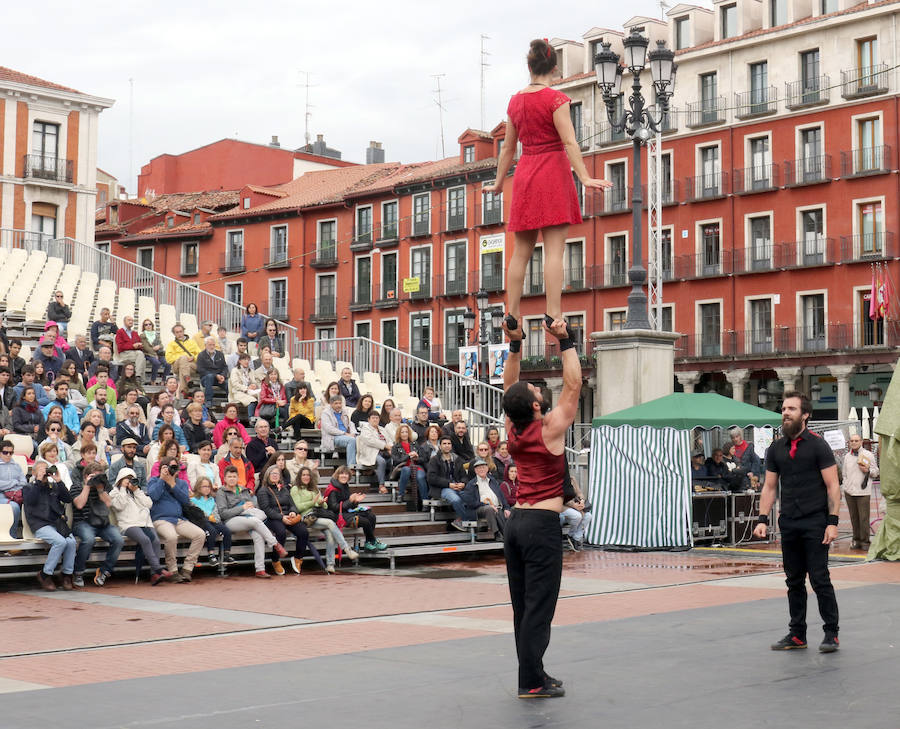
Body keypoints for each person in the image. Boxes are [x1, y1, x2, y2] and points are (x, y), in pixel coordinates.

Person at [484, 39, 610, 330]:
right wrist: (585, 177)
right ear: (554, 68)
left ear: (529, 66)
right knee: (554, 252)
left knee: (521, 252)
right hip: (553, 173)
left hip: (526, 173)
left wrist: (498, 183)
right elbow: (568, 141)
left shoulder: (515, 101)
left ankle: (511, 313)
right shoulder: (556, 100)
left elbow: (507, 149)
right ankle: (554, 314)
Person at [500, 316, 580, 698]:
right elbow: (574, 385)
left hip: (515, 523)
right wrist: (566, 341)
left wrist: (515, 345)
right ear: (535, 404)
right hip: (541, 524)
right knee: (539, 607)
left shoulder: (513, 431)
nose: (536, 388)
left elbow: (508, 386)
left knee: (523, 606)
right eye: (534, 389)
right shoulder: (548, 428)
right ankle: (531, 681)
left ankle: (533, 674)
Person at [753, 391, 841, 653]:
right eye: (783, 409)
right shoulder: (775, 448)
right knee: (793, 581)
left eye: (791, 409)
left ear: (805, 415)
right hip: (788, 522)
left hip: (815, 522)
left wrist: (833, 522)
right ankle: (797, 634)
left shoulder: (818, 445)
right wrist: (762, 519)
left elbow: (833, 485)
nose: (785, 413)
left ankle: (831, 634)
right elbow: (769, 487)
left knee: (819, 579)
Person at [215, 465, 287, 578]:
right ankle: (275, 544)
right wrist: (242, 508)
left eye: (234, 476)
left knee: (258, 535)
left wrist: (249, 506)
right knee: (255, 521)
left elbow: (252, 506)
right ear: (224, 478)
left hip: (249, 517)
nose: (232, 479)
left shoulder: (243, 489)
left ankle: (260, 569)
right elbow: (223, 514)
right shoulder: (221, 492)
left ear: (238, 477)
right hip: (231, 521)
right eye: (229, 477)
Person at [109, 468, 173, 585]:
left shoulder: (137, 492)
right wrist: (123, 488)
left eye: (131, 479)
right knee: (145, 540)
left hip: (145, 523)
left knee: (156, 542)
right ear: (120, 479)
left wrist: (137, 490)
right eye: (126, 479)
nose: (129, 481)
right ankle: (158, 569)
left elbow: (149, 504)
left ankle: (154, 575)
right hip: (128, 524)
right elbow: (119, 506)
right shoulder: (114, 493)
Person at [147, 454, 206, 582]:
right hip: (161, 519)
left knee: (200, 534)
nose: (173, 469)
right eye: (170, 467)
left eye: (175, 467)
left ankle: (187, 569)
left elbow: (185, 500)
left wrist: (172, 484)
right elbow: (154, 496)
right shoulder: (154, 480)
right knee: (172, 536)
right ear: (163, 467)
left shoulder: (181, 483)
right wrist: (162, 479)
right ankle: (173, 571)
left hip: (179, 519)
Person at [291, 466, 358, 572]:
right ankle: (347, 549)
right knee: (330, 523)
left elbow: (325, 506)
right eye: (303, 475)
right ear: (299, 476)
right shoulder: (295, 489)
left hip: (317, 516)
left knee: (330, 534)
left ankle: (330, 565)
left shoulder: (314, 488)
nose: (306, 477)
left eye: (308, 475)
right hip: (305, 518)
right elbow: (298, 507)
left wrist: (322, 503)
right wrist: (313, 502)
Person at [24, 460, 76, 591]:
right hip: (40, 523)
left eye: (45, 469)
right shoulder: (28, 487)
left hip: (57, 523)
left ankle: (67, 574)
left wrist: (59, 481)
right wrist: (38, 482)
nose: (44, 471)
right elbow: (31, 500)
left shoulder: (53, 486)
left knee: (71, 542)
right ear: (34, 473)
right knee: (60, 542)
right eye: (41, 469)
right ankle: (45, 574)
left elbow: (68, 499)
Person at [257, 464, 318, 574]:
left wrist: (293, 512)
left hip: (288, 516)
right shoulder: (263, 490)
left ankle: (298, 558)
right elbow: (266, 509)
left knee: (303, 531)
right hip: (272, 518)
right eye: (273, 473)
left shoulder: (284, 489)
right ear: (268, 475)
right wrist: (281, 517)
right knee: (281, 532)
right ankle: (275, 560)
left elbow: (292, 504)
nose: (276, 476)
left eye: (278, 474)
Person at [71, 464, 123, 588]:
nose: (97, 479)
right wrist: (87, 486)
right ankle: (78, 572)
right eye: (94, 476)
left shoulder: (103, 486)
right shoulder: (76, 486)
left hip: (102, 523)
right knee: (89, 540)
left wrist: (100, 489)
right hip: (82, 522)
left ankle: (104, 571)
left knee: (118, 540)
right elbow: (79, 504)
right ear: (85, 476)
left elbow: (109, 503)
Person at [324, 465, 386, 552]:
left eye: (346, 474)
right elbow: (334, 507)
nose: (344, 476)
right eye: (342, 474)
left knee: (371, 516)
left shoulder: (345, 486)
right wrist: (350, 501)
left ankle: (368, 542)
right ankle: (372, 541)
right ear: (337, 475)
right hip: (337, 516)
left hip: (346, 513)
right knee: (365, 521)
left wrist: (355, 502)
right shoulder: (332, 489)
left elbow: (348, 505)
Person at [841, 433, 879, 551]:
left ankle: (865, 541)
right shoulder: (847, 456)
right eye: (852, 441)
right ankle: (856, 539)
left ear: (861, 442)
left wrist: (867, 470)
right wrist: (846, 486)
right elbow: (844, 473)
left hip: (863, 491)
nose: (854, 443)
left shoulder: (868, 455)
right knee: (854, 517)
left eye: (856, 440)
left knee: (863, 517)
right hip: (849, 491)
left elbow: (876, 471)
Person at [461, 457, 509, 541]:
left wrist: (506, 508)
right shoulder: (471, 484)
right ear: (475, 470)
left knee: (506, 511)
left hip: (497, 507)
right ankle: (496, 533)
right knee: (490, 509)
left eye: (483, 467)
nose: (481, 469)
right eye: (478, 468)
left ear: (487, 469)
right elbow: (471, 503)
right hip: (480, 509)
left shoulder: (493, 481)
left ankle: (507, 534)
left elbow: (501, 496)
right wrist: (486, 504)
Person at [190, 476, 233, 568]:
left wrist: (215, 518)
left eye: (208, 487)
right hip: (202, 521)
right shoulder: (193, 500)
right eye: (204, 486)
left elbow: (216, 512)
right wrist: (208, 517)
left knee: (226, 530)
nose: (206, 489)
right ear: (198, 487)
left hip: (213, 520)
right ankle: (211, 555)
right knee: (211, 530)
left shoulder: (212, 500)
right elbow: (197, 513)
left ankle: (226, 554)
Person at [425, 435, 468, 527]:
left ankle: (460, 520)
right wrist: (449, 484)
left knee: (470, 498)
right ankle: (468, 521)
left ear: (451, 446)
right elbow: (431, 478)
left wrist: (463, 483)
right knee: (456, 500)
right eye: (444, 444)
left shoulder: (457, 459)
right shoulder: (435, 460)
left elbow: (464, 476)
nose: (447, 445)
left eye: (449, 443)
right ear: (440, 446)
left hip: (458, 487)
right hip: (443, 488)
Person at [391, 423, 428, 507]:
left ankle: (425, 502)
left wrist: (417, 458)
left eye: (406, 432)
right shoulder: (395, 447)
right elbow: (396, 461)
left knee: (421, 477)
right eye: (402, 432)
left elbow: (424, 459)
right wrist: (408, 455)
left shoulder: (415, 444)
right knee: (406, 470)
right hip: (402, 468)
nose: (404, 434)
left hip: (417, 466)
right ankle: (400, 494)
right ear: (399, 434)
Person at [357, 410, 391, 494]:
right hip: (371, 452)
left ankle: (393, 484)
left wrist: (390, 448)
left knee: (395, 460)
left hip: (385, 452)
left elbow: (390, 440)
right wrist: (384, 446)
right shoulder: (365, 429)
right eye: (373, 418)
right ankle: (381, 485)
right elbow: (370, 441)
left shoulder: (382, 429)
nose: (375, 420)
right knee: (381, 461)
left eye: (377, 418)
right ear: (368, 419)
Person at [320, 396, 358, 469]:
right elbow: (329, 429)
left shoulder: (344, 411)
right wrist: (345, 434)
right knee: (352, 440)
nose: (338, 405)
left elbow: (351, 424)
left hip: (346, 436)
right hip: (333, 437)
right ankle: (351, 467)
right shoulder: (325, 413)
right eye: (336, 403)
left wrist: (353, 433)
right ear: (331, 404)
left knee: (361, 439)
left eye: (340, 403)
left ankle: (366, 467)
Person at [164, 323, 200, 397]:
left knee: (183, 368)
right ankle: (186, 378)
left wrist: (193, 357)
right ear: (174, 334)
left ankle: (184, 390)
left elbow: (200, 355)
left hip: (191, 365)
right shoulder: (171, 344)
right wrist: (183, 357)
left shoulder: (192, 342)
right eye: (177, 332)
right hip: (176, 365)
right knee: (183, 359)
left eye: (180, 331)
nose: (179, 334)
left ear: (183, 331)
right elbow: (169, 359)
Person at [0, 439, 26, 538]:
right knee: (14, 507)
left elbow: (23, 482)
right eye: (5, 452)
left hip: (15, 494)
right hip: (1, 495)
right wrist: (14, 483)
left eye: (10, 453)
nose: (8, 455)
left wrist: (10, 486)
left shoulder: (17, 466)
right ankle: (12, 536)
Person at [559, 475, 592, 551]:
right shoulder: (559, 480)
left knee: (588, 516)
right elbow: (561, 500)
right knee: (577, 516)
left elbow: (579, 493)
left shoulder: (571, 479)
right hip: (562, 509)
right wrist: (575, 506)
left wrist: (582, 501)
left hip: (574, 508)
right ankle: (571, 534)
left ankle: (576, 538)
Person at [114, 315, 147, 381]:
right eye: (129, 320)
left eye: (132, 320)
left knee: (142, 358)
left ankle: (139, 378)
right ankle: (139, 378)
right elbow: (120, 346)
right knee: (140, 355)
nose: (131, 322)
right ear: (124, 321)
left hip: (134, 353)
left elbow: (139, 343)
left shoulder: (134, 333)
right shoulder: (120, 332)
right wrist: (133, 346)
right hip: (124, 354)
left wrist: (139, 345)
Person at [197, 336, 228, 403]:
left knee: (228, 383)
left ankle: (230, 400)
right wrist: (215, 375)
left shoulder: (220, 354)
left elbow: (225, 367)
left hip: (219, 378)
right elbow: (200, 370)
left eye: (213, 345)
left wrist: (223, 376)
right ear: (205, 345)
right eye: (210, 345)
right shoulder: (201, 355)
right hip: (206, 378)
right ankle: (208, 400)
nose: (212, 347)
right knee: (209, 377)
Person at [228, 353, 260, 418]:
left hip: (250, 392)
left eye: (248, 360)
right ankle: (251, 418)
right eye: (244, 359)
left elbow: (255, 381)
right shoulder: (235, 370)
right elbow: (235, 384)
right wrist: (246, 388)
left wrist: (254, 385)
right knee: (252, 400)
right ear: (240, 361)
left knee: (261, 396)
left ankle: (260, 417)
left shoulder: (251, 371)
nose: (246, 361)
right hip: (238, 392)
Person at [140, 319, 169, 383]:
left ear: (152, 325)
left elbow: (161, 345)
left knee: (168, 364)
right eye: (146, 325)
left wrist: (159, 346)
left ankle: (164, 380)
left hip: (158, 353)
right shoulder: (142, 336)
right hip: (148, 354)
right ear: (144, 327)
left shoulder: (156, 335)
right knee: (156, 363)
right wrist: (154, 354)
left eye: (149, 324)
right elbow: (146, 348)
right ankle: (153, 380)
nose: (148, 326)